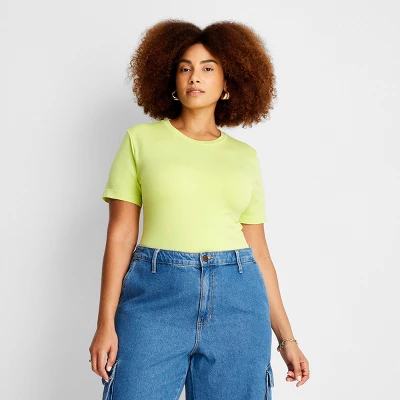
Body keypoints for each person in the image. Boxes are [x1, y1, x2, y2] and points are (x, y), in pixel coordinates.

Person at [89, 19, 310, 400]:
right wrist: (105, 322)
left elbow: (259, 252)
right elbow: (122, 235)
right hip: (156, 297)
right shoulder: (141, 140)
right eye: (185, 68)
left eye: (208, 68)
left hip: (238, 301)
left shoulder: (244, 157)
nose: (195, 76)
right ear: (172, 80)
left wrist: (287, 338)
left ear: (228, 84)